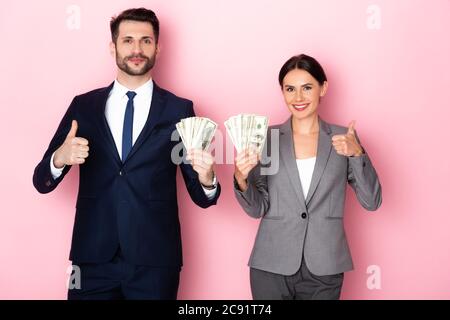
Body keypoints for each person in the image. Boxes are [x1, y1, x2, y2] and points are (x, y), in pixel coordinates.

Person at [33, 8, 221, 300]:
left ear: (157, 47)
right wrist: (60, 158)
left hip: (156, 262)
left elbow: (201, 196)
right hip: (91, 261)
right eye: (128, 40)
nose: (136, 49)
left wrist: (208, 178)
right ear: (113, 47)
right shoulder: (84, 106)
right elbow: (41, 180)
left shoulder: (178, 110)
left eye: (145, 41)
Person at [233, 54, 382, 300]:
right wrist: (241, 178)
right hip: (271, 265)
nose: (298, 98)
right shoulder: (266, 139)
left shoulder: (344, 138)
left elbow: (372, 201)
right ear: (282, 92)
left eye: (307, 88)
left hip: (325, 266)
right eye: (290, 89)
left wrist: (357, 154)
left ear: (323, 88)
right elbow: (257, 208)